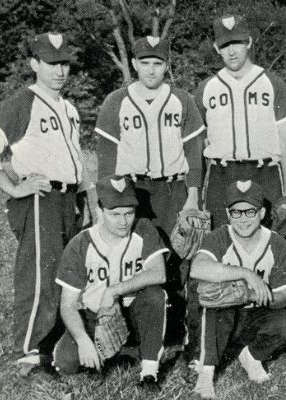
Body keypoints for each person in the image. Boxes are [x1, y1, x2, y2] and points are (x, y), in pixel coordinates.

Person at [0, 32, 91, 376]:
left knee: (66, 272)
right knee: (39, 273)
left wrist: (89, 199)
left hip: (68, 197)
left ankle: (54, 344)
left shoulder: (69, 108)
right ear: (34, 64)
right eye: (51, 63)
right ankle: (30, 351)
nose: (59, 70)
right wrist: (14, 189)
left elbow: (75, 158)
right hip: (40, 198)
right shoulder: (23, 101)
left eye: (64, 63)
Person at [93, 34, 205, 355]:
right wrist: (108, 203)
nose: (152, 70)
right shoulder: (116, 101)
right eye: (145, 63)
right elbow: (106, 158)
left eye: (158, 63)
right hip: (132, 189)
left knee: (177, 256)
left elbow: (194, 151)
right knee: (135, 256)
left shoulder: (182, 99)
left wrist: (193, 196)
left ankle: (174, 332)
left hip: (173, 187)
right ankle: (136, 329)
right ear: (134, 64)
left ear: (167, 66)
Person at [53, 176, 176, 390]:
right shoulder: (80, 244)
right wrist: (83, 340)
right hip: (95, 317)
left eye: (129, 213)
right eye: (115, 214)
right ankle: (124, 353)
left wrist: (114, 290)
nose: (123, 221)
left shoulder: (143, 229)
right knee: (66, 362)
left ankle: (149, 372)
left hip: (134, 314)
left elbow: (159, 273)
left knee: (155, 295)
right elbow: (67, 305)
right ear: (100, 211)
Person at [189, 180, 286, 400]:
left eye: (250, 211)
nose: (243, 219)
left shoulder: (276, 244)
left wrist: (250, 294)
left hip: (255, 316)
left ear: (262, 213)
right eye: (236, 213)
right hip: (221, 319)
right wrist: (245, 274)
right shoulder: (220, 237)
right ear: (228, 214)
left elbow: (283, 298)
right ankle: (207, 371)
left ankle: (251, 356)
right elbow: (197, 268)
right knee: (216, 302)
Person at [194, 14, 286, 229]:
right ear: (216, 48)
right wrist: (195, 197)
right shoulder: (206, 88)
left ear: (249, 42)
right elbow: (198, 146)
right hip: (221, 175)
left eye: (237, 43)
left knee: (268, 246)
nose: (231, 51)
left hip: (265, 172)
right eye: (225, 45)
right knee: (220, 242)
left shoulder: (272, 83)